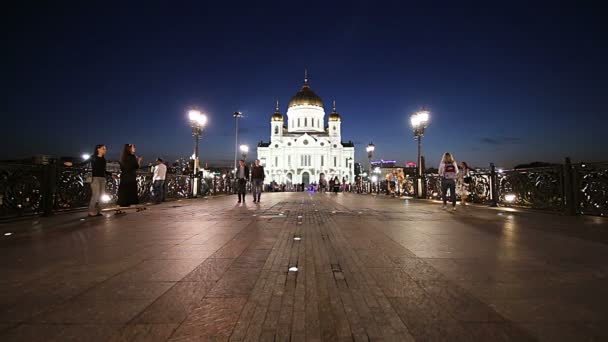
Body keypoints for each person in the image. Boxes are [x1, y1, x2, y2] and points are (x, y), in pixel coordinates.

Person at [66, 144, 114, 217]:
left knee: (101, 195)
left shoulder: (104, 159)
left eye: (105, 149)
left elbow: (104, 170)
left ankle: (99, 211)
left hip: (103, 178)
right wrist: (72, 164)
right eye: (103, 148)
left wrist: (111, 175)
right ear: (98, 149)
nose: (105, 150)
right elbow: (82, 163)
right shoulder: (93, 157)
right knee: (95, 195)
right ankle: (90, 211)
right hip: (95, 178)